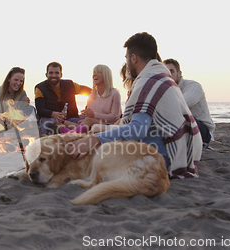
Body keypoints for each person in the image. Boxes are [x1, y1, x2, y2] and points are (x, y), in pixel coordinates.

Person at [67, 32, 202, 179]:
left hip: (160, 159)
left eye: (126, 58)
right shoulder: (162, 77)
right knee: (100, 142)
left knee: (91, 158)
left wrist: (94, 139)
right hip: (175, 152)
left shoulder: (148, 81)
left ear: (133, 58)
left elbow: (138, 129)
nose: (127, 62)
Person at [163, 58, 215, 145]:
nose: (169, 75)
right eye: (165, 73)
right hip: (185, 129)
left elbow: (182, 104)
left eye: (171, 71)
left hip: (203, 130)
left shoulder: (194, 86)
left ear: (179, 73)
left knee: (180, 116)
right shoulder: (168, 90)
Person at [58, 64, 122, 134]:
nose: (94, 75)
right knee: (61, 121)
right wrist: (84, 117)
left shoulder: (115, 93)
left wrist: (93, 115)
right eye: (93, 72)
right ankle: (73, 132)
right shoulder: (92, 95)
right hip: (93, 122)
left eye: (98, 72)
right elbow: (89, 116)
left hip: (109, 124)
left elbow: (114, 117)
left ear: (105, 75)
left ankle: (69, 135)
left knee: (88, 121)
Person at [35, 62, 92, 136]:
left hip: (70, 119)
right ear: (46, 75)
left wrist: (87, 109)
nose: (54, 76)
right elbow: (40, 110)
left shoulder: (70, 85)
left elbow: (90, 92)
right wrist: (53, 114)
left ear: (61, 75)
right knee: (46, 122)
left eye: (57, 73)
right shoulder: (40, 88)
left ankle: (68, 131)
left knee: (89, 122)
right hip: (51, 119)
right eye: (51, 73)